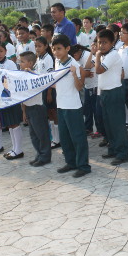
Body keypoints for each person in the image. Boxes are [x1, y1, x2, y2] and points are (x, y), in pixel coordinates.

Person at [51, 34, 90, 177]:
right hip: (61, 104)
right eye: (54, 49)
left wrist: (74, 75)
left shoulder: (75, 65)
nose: (56, 52)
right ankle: (71, 162)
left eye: (59, 49)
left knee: (78, 137)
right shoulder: (57, 62)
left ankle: (83, 166)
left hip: (73, 106)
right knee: (65, 136)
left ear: (67, 48)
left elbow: (80, 87)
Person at [93, 29, 128, 166]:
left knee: (117, 124)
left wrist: (96, 56)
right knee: (108, 123)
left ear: (112, 42)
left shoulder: (113, 54)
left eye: (104, 42)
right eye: (99, 42)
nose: (101, 45)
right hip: (105, 92)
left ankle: (123, 152)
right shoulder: (104, 55)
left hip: (114, 92)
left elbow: (98, 70)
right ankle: (113, 148)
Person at [0, 41, 24, 160]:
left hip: (10, 97)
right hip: (1, 98)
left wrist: (3, 82)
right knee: (9, 124)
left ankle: (19, 149)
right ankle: (14, 148)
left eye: (1, 51)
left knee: (14, 122)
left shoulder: (10, 63)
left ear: (5, 51)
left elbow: (14, 79)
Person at [20, 51, 52, 167]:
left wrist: (31, 72)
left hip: (37, 107)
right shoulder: (22, 75)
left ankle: (45, 156)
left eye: (22, 62)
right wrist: (24, 111)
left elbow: (41, 80)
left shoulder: (36, 74)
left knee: (41, 134)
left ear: (30, 63)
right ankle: (39, 154)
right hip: (28, 107)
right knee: (33, 135)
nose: (20, 64)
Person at [34, 36, 60, 149]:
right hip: (42, 89)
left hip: (49, 89)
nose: (37, 48)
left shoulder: (48, 58)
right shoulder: (39, 58)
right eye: (36, 46)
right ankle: (53, 138)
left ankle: (57, 139)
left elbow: (50, 76)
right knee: (49, 114)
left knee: (53, 113)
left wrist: (49, 92)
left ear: (45, 46)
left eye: (40, 46)